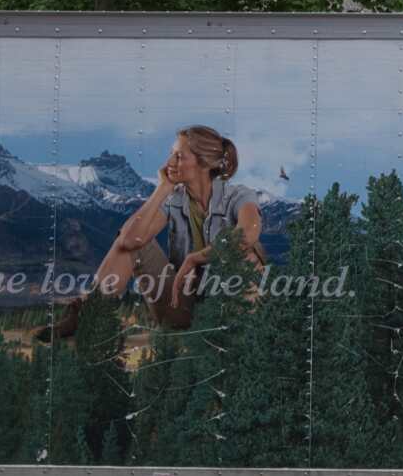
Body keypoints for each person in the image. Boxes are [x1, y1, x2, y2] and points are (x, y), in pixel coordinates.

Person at [44, 126, 265, 338]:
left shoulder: (238, 196)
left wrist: (196, 257)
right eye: (171, 154)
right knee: (134, 244)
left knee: (245, 255)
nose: (169, 163)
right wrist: (163, 189)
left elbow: (247, 234)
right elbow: (129, 240)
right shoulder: (174, 199)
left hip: (230, 305)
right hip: (182, 306)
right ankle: (85, 314)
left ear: (204, 163)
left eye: (179, 156)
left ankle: (244, 333)